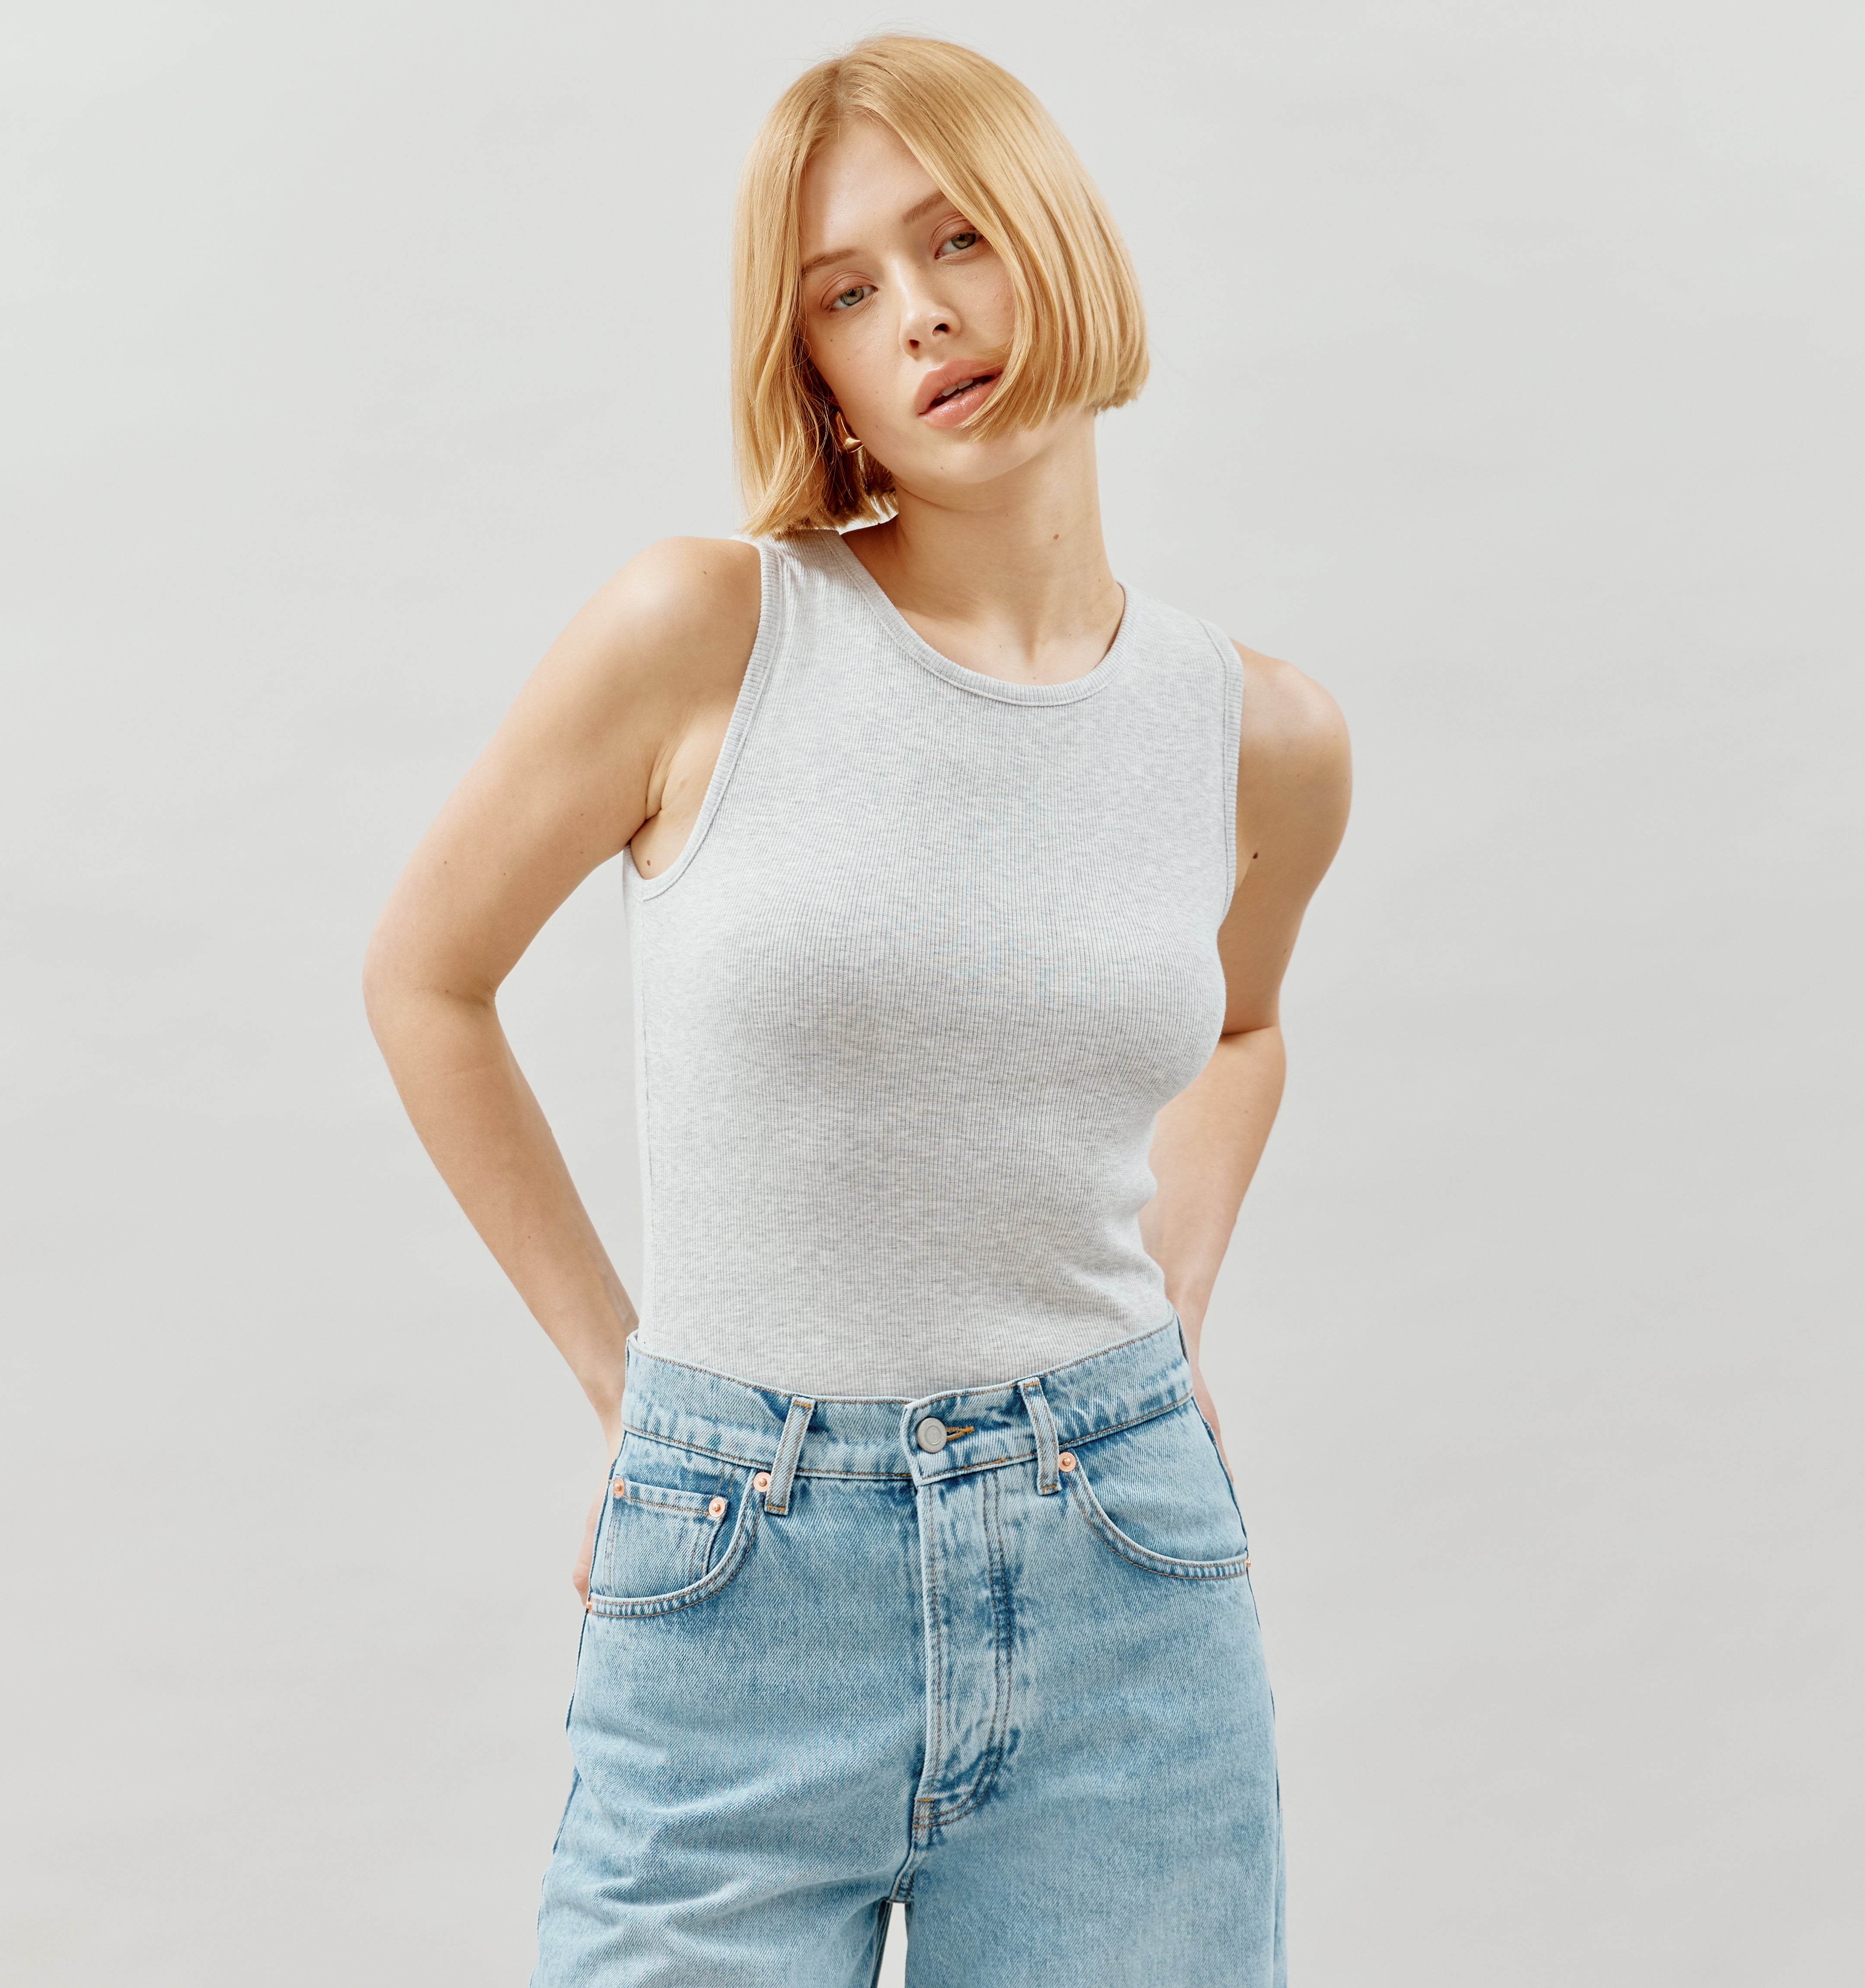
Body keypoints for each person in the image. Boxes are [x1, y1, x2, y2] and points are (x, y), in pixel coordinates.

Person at [363, 33, 1349, 1988]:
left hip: (1127, 1577)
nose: (922, 315)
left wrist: (1179, 1302)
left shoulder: (1260, 736)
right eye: (845, 293)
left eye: (957, 237)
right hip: (740, 1574)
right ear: (812, 365)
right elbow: (425, 978)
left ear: (1058, 235)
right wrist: (634, 1394)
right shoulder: (708, 633)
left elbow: (1241, 1031)